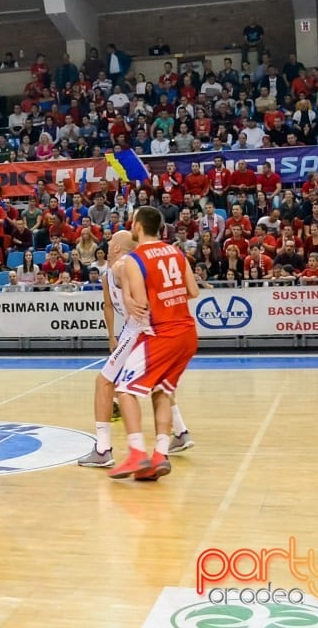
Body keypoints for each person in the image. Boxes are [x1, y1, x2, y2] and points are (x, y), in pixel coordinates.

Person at [78, 231, 194, 469]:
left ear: (119, 248)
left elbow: (123, 268)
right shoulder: (109, 275)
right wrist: (112, 336)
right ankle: (180, 432)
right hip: (137, 330)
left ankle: (104, 449)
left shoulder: (123, 264)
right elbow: (109, 305)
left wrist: (134, 297)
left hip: (139, 329)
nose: (107, 245)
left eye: (111, 243)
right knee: (158, 385)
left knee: (105, 382)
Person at [108, 206, 199, 481]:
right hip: (187, 333)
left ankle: (136, 452)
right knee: (161, 390)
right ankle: (160, 454)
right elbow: (193, 291)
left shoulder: (136, 259)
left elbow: (140, 304)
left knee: (124, 389)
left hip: (162, 333)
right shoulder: (176, 252)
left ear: (137, 226)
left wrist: (127, 291)